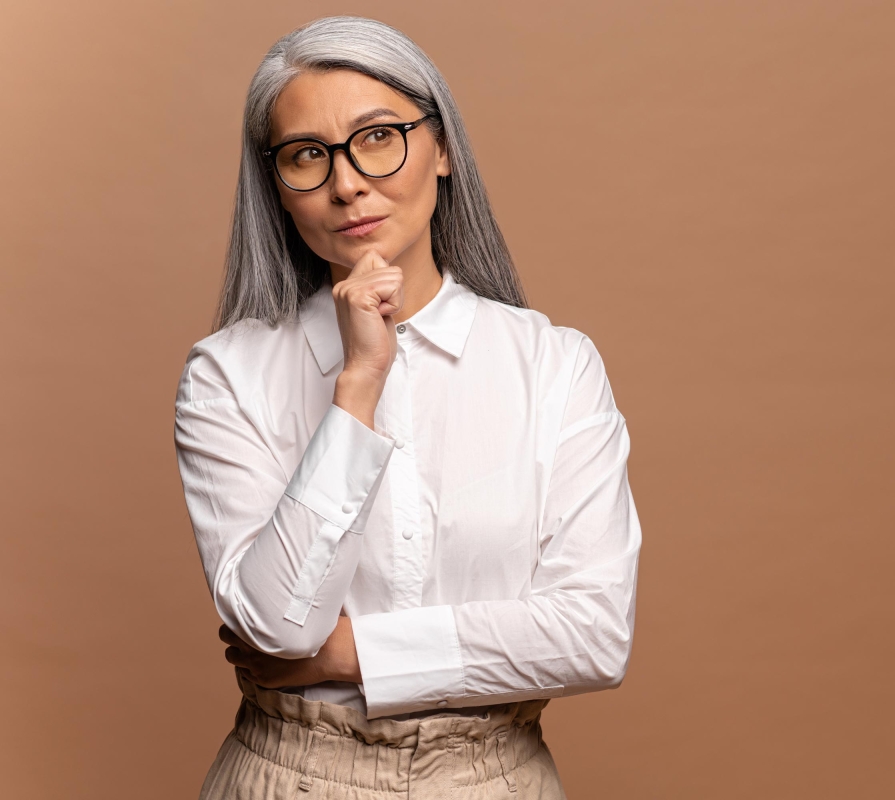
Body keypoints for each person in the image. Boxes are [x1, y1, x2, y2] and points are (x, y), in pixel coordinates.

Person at [172, 15, 641, 799]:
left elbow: (594, 636)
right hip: (290, 776)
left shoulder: (555, 364)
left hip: (495, 777)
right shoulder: (226, 375)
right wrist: (359, 380)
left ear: (444, 147)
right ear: (279, 190)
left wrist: (350, 657)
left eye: (379, 137)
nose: (348, 182)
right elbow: (278, 626)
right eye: (306, 157)